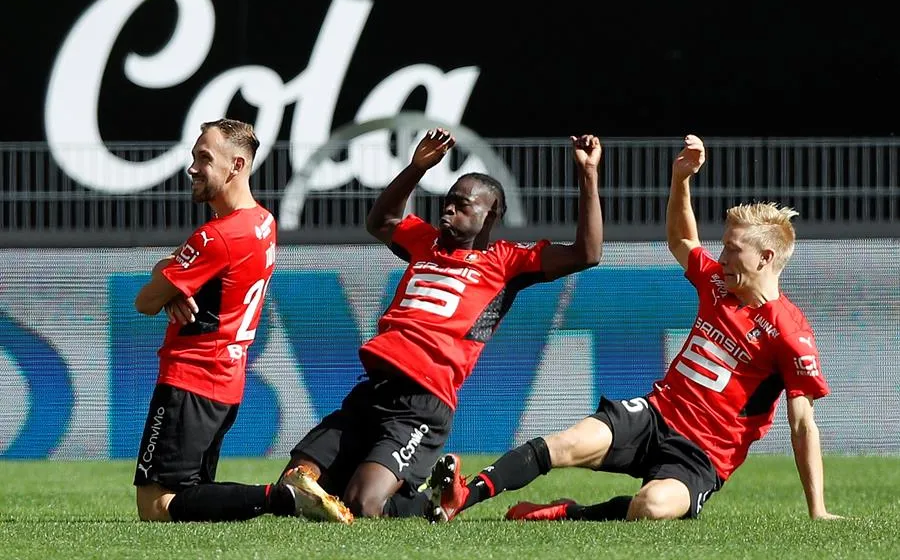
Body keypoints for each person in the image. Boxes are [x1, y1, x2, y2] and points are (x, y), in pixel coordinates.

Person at [427, 134, 843, 523]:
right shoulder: (718, 282)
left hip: (703, 455)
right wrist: (681, 179)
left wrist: (818, 510)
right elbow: (683, 240)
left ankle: (566, 513)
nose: (722, 256)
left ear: (765, 258)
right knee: (566, 443)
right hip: (655, 415)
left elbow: (802, 423)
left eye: (733, 250)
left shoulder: (789, 332)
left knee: (653, 506)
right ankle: (464, 495)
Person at [281, 128, 604, 520]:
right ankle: (388, 486)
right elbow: (380, 221)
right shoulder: (425, 241)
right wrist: (416, 168)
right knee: (290, 488)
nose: (448, 211)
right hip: (374, 392)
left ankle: (438, 501)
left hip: (422, 404)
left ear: (490, 216)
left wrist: (588, 176)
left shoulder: (507, 263)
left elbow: (587, 253)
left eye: (462, 205)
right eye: (447, 202)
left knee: (362, 506)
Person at [132, 118, 351, 523]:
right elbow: (178, 280)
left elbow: (145, 301)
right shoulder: (264, 224)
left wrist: (167, 288)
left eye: (204, 158)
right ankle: (283, 497)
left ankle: (282, 498)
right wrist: (174, 285)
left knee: (157, 506)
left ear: (236, 165)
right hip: (226, 384)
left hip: (189, 380)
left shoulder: (213, 238)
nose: (192, 167)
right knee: (190, 499)